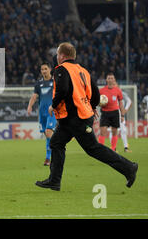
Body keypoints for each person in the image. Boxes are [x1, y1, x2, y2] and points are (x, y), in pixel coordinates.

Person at [35, 42, 138, 191]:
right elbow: (96, 93)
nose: (57, 57)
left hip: (75, 117)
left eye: (58, 54)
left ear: (62, 56)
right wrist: (93, 107)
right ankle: (54, 181)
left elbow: (62, 90)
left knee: (93, 148)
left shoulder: (61, 69)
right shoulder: (82, 70)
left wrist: (53, 105)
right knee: (56, 142)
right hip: (76, 117)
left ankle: (129, 168)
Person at [27, 62, 56, 166]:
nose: (44, 71)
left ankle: (48, 158)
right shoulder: (39, 83)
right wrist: (30, 106)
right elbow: (34, 96)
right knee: (47, 135)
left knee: (48, 133)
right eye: (42, 69)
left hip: (52, 112)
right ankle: (56, 146)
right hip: (42, 113)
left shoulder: (55, 82)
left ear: (50, 69)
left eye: (45, 69)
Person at [98, 73, 126, 151]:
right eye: (109, 78)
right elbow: (97, 102)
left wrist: (123, 115)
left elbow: (121, 103)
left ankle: (113, 149)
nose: (110, 80)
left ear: (114, 80)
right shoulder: (101, 90)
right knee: (103, 132)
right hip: (105, 113)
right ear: (106, 80)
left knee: (114, 132)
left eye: (112, 78)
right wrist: (100, 104)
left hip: (115, 113)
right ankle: (100, 150)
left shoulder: (118, 90)